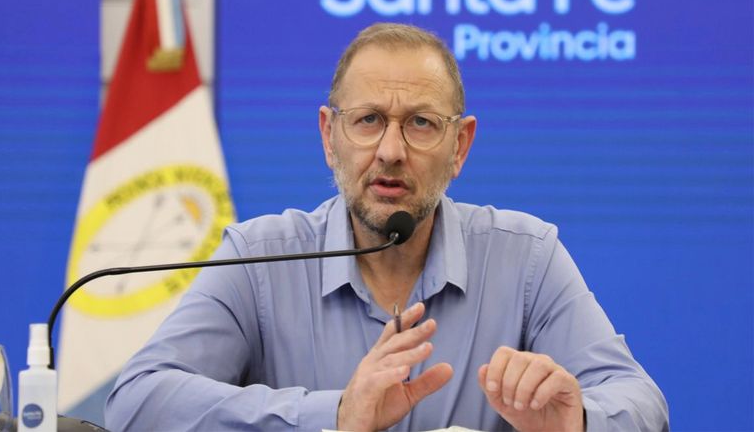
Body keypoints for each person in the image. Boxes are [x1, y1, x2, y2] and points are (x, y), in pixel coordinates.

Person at [105, 23, 669, 431]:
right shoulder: (258, 258)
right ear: (329, 136)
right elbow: (137, 401)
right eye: (369, 120)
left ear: (460, 145)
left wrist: (579, 422)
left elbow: (641, 402)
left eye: (421, 123)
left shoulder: (525, 258)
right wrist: (335, 415)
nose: (391, 151)